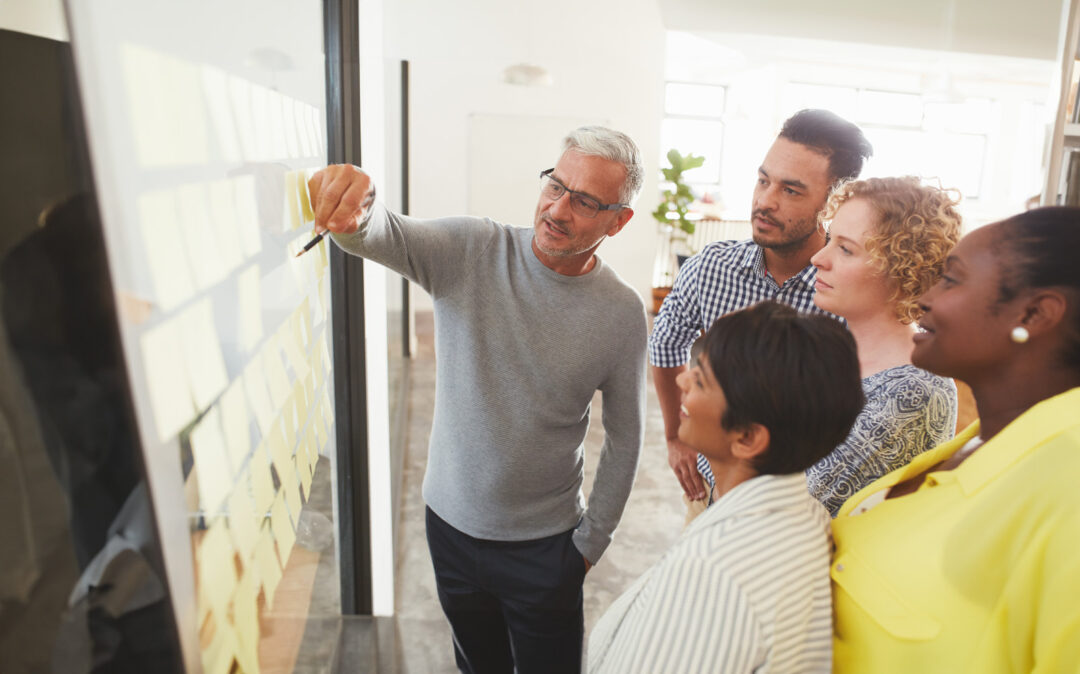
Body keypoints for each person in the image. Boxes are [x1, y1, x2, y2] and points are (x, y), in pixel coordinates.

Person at [308, 127, 648, 673]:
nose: (558, 209)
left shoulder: (621, 312)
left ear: (618, 220)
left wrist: (590, 544)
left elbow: (629, 435)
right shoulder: (472, 250)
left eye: (584, 201)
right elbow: (381, 232)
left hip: (547, 547)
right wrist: (357, 205)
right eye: (556, 185)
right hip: (450, 530)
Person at [831, 207, 1080, 672]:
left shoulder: (1069, 488)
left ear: (1035, 314)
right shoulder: (977, 443)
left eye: (952, 279)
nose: (925, 298)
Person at [588, 301, 864, 673]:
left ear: (748, 437)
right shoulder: (803, 515)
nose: (681, 380)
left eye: (700, 380)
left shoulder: (714, 572)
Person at [696, 177, 962, 516]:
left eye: (845, 249)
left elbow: (771, 511)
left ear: (902, 269)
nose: (818, 259)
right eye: (829, 240)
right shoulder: (836, 357)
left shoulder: (914, 391)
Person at [650, 109, 873, 503]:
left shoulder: (850, 295)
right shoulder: (710, 269)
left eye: (790, 190)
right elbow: (665, 345)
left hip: (806, 506)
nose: (765, 201)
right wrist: (674, 436)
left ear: (832, 203)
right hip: (713, 490)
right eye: (763, 180)